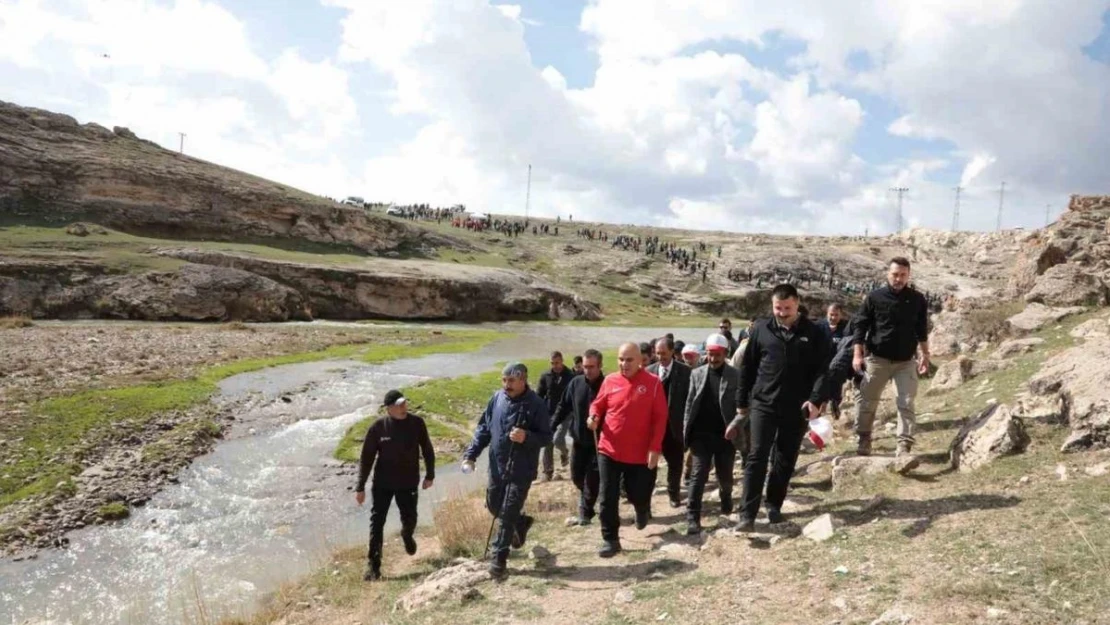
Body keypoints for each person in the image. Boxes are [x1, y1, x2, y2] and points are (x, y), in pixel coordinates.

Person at [729, 284, 831, 531]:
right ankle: (747, 515)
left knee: (785, 459)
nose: (782, 313)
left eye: (787, 308)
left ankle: (774, 505)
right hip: (763, 404)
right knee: (756, 457)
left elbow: (822, 370)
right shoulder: (761, 329)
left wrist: (816, 399)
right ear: (772, 305)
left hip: (797, 407)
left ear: (797, 304)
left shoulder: (814, 332)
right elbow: (748, 369)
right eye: (778, 308)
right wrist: (742, 404)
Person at [462, 363, 553, 579]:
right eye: (504, 380)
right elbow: (484, 427)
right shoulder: (497, 398)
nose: (507, 385)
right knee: (494, 505)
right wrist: (471, 454)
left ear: (523, 379)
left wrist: (527, 437)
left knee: (508, 512)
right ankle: (520, 524)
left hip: (522, 468)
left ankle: (498, 559)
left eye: (511, 381)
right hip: (497, 464)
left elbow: (547, 437)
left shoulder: (536, 404)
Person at [587, 343, 668, 558]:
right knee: (607, 496)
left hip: (639, 453)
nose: (624, 364)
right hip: (609, 449)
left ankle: (642, 508)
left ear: (641, 360)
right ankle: (610, 540)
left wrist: (655, 448)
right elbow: (598, 404)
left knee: (637, 493)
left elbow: (660, 419)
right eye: (621, 359)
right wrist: (593, 416)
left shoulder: (653, 384)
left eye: (629, 360)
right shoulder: (610, 380)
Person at [851, 258, 931, 457]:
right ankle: (864, 438)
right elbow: (860, 326)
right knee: (867, 401)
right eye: (895, 274)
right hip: (877, 359)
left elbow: (921, 329)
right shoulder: (874, 297)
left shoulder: (917, 299)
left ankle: (904, 445)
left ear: (908, 275)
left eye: (903, 275)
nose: (898, 279)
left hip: (905, 362)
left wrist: (925, 354)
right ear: (888, 274)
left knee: (906, 402)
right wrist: (857, 354)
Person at [355, 390, 435, 581]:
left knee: (410, 519)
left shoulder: (417, 423)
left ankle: (407, 535)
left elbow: (427, 449)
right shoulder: (378, 428)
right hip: (382, 483)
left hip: (408, 483)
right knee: (377, 523)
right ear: (388, 408)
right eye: (398, 405)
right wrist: (360, 487)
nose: (403, 407)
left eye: (404, 403)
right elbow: (366, 459)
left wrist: (430, 474)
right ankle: (373, 567)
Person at [682, 334, 741, 534]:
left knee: (725, 476)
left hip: (725, 435)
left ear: (725, 353)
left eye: (717, 354)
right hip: (701, 435)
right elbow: (689, 404)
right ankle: (692, 516)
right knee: (698, 476)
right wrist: (686, 432)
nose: (713, 358)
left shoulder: (736, 375)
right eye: (710, 354)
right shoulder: (697, 374)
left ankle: (726, 497)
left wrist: (736, 426)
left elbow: (744, 407)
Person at [552, 349, 605, 525]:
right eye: (585, 366)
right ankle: (589, 499)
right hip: (579, 440)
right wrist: (550, 427)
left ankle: (585, 512)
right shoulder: (575, 383)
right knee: (576, 477)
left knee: (592, 478)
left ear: (600, 366)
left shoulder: (608, 385)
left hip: (600, 443)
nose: (587, 370)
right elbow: (563, 406)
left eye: (591, 366)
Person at [645, 337, 692, 509]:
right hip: (653, 429)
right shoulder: (648, 371)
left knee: (675, 464)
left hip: (675, 428)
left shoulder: (686, 372)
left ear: (672, 352)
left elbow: (690, 401)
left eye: (664, 353)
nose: (660, 357)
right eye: (657, 353)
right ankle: (646, 500)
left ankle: (674, 494)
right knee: (649, 465)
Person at [538, 351, 575, 481]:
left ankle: (565, 453)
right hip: (549, 413)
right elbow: (540, 395)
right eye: (552, 363)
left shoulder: (570, 376)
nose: (555, 366)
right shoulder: (545, 376)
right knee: (547, 442)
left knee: (558, 439)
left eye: (557, 363)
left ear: (562, 361)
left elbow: (575, 396)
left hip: (566, 414)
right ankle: (547, 471)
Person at [816, 303, 851, 419]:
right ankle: (819, 415)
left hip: (839, 365)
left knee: (836, 390)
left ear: (841, 315)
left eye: (836, 315)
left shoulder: (846, 327)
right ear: (827, 314)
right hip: (821, 364)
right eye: (831, 314)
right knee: (821, 390)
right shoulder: (819, 326)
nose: (833, 317)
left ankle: (835, 407)